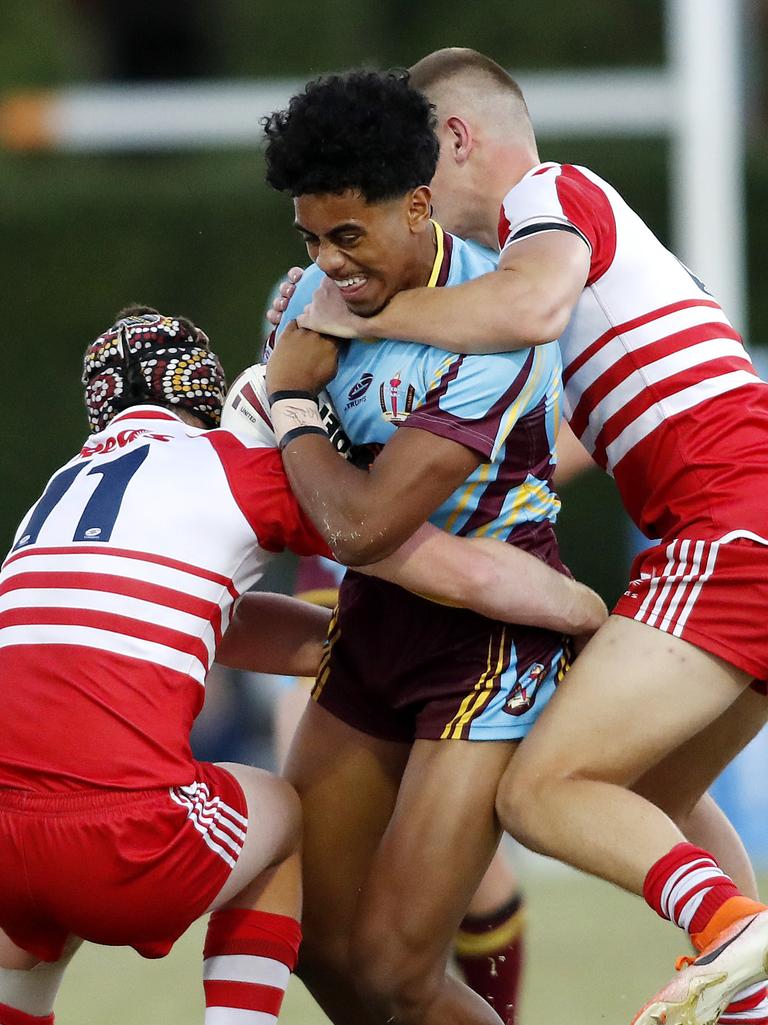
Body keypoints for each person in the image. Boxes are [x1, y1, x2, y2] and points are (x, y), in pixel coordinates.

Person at [295, 48, 768, 1025]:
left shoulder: (551, 197)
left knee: (540, 791)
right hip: (737, 524)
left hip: (734, 525)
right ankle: (748, 965)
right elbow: (551, 444)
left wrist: (363, 313)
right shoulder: (596, 267)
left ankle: (735, 936)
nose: (409, 202)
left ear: (459, 139)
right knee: (646, 782)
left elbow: (526, 308)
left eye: (416, 174)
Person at [0, 305, 605, 1025]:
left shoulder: (55, 494)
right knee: (283, 817)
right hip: (126, 836)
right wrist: (581, 611)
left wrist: (339, 644)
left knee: (28, 957)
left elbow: (208, 622)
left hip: (9, 839)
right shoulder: (233, 467)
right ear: (203, 391)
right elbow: (450, 570)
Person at [255, 67, 603, 1025]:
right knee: (315, 943)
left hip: (483, 645)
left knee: (401, 968)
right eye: (312, 239)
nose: (328, 264)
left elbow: (362, 522)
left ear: (418, 204)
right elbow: (305, 505)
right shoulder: (312, 299)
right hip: (374, 626)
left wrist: (291, 407)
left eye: (349, 235)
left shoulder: (492, 329)